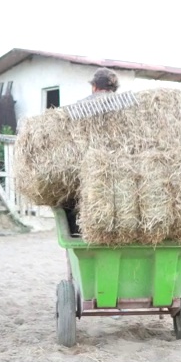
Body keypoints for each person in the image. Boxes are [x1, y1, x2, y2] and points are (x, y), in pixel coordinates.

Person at [65, 67, 120, 236]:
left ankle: (77, 234)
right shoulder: (127, 105)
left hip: (86, 168)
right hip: (119, 168)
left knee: (69, 198)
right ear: (114, 88)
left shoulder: (78, 107)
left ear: (94, 86)